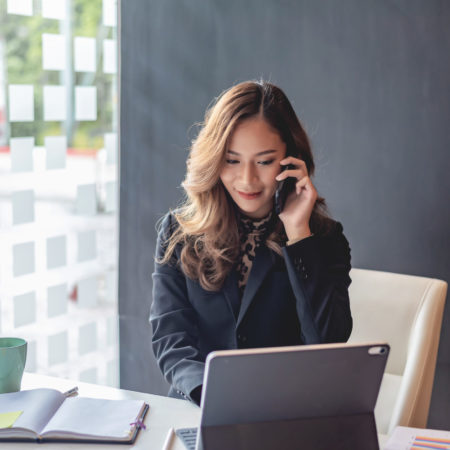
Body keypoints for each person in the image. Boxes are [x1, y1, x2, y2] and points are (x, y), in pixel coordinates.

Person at [150, 80, 352, 406]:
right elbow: (171, 339)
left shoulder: (322, 240)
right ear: (214, 159)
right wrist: (213, 395)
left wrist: (298, 232)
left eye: (264, 161)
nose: (247, 179)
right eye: (232, 160)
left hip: (284, 417)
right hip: (199, 408)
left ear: (291, 161)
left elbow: (326, 345)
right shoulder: (179, 232)